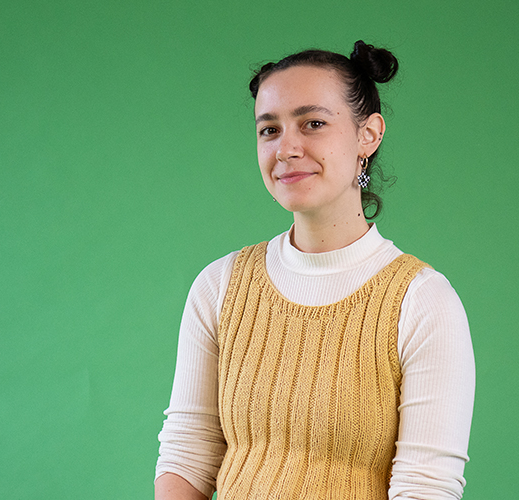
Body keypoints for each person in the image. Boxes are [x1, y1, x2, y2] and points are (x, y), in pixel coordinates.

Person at [154, 41, 475, 500]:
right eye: (269, 130)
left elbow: (426, 488)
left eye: (314, 124)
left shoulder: (422, 301)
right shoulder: (220, 286)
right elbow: (188, 456)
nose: (287, 149)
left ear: (369, 135)